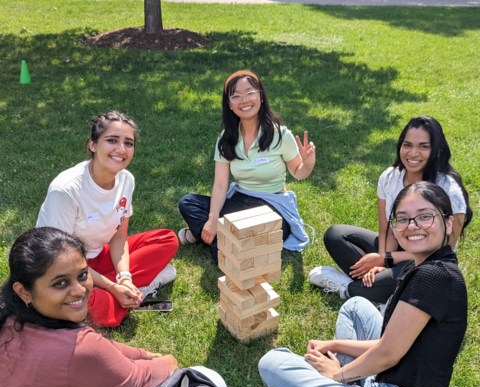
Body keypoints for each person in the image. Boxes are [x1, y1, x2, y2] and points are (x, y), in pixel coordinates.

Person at [259, 182, 468, 387]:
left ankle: (346, 385)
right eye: (403, 218)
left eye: (425, 216)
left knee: (273, 363)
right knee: (357, 306)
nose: (412, 225)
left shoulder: (432, 277)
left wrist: (337, 375)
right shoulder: (431, 266)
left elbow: (388, 354)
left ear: (448, 222)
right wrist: (335, 344)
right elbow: (390, 344)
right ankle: (351, 385)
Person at [0, 227, 227, 387]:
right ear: (23, 291)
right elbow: (132, 379)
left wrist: (143, 354)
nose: (78, 290)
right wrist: (167, 364)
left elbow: (102, 352)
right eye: (60, 283)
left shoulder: (10, 321)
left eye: (83, 275)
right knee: (206, 380)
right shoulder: (76, 350)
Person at [308, 116, 472, 304]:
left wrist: (385, 259)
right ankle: (379, 289)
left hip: (428, 261)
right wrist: (383, 261)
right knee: (335, 235)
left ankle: (346, 287)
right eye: (407, 144)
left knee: (408, 278)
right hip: (399, 244)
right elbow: (386, 229)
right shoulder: (390, 178)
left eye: (424, 146)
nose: (413, 153)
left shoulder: (449, 190)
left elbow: (444, 250)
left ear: (437, 151)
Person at [36, 111, 179, 327]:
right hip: (64, 269)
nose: (121, 150)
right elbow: (62, 260)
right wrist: (112, 287)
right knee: (101, 309)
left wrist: (124, 278)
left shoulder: (126, 180)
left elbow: (119, 238)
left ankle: (126, 289)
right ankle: (126, 292)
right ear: (93, 145)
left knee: (167, 239)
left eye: (128, 143)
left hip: (98, 256)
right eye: (112, 140)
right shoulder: (65, 190)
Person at [178, 70, 315, 262]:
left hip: (271, 206)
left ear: (260, 95)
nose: (244, 100)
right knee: (188, 203)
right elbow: (219, 184)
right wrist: (213, 218)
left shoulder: (281, 135)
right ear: (230, 104)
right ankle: (221, 238)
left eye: (250, 92)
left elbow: (298, 173)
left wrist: (307, 165)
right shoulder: (226, 138)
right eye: (236, 96)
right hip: (239, 200)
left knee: (230, 252)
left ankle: (213, 239)